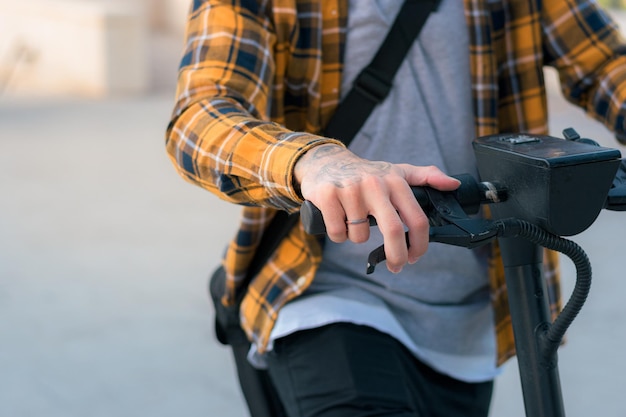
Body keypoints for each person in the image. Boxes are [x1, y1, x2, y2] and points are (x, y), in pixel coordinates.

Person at [165, 1, 626, 416]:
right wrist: (312, 161)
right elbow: (201, 114)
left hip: (470, 317)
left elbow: (606, 64)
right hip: (329, 296)